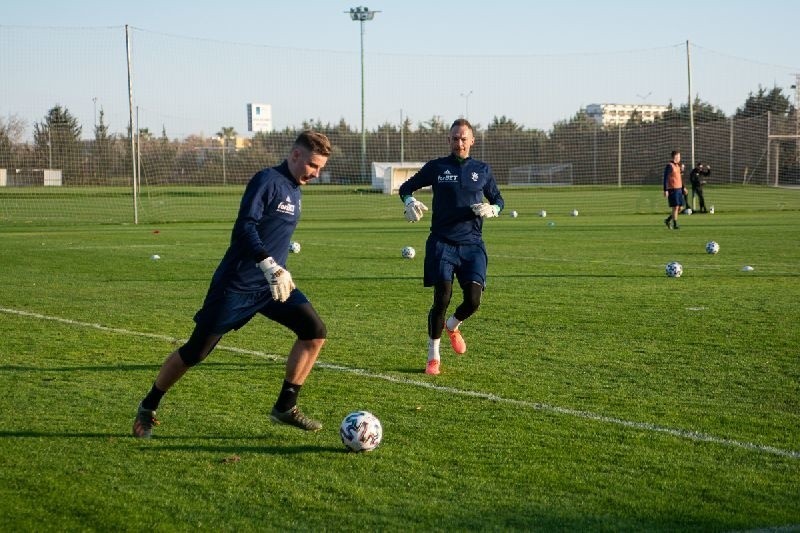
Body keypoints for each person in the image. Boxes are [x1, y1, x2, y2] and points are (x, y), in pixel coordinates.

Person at [132, 131, 332, 438]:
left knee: (314, 332)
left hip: (272, 287)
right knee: (196, 352)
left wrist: (276, 270)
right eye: (313, 166)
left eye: (319, 168)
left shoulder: (295, 190)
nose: (316, 174)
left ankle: (285, 407)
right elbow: (244, 227)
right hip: (237, 285)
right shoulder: (267, 181)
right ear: (295, 155)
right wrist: (267, 263)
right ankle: (148, 406)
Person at [398, 118, 504, 375]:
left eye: (463, 138)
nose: (459, 143)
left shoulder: (482, 169)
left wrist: (494, 208)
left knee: (473, 301)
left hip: (472, 245)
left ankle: (453, 325)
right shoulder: (437, 167)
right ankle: (433, 357)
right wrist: (410, 201)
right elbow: (406, 187)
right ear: (449, 140)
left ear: (472, 140)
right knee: (442, 298)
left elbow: (499, 199)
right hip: (442, 243)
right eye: (455, 138)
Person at [663, 150, 686, 229]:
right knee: (675, 207)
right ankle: (675, 224)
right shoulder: (669, 166)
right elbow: (665, 178)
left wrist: (683, 187)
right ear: (675, 156)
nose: (680, 158)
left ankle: (668, 219)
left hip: (679, 189)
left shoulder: (678, 166)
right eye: (679, 156)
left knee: (681, 208)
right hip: (673, 189)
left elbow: (680, 178)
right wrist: (665, 190)